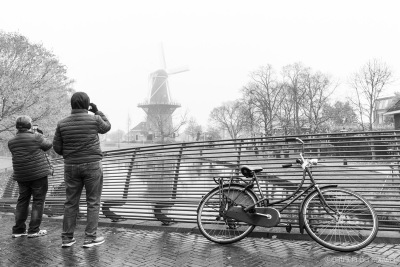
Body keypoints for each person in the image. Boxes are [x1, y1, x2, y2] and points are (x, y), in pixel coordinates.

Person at [53, 92, 111, 248]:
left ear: (71, 105)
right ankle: (90, 237)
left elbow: (57, 148)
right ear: (88, 105)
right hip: (92, 165)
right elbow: (107, 127)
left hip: (71, 166)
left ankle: (67, 238)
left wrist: (71, 153)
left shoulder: (62, 123)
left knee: (71, 202)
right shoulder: (95, 119)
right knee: (93, 202)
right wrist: (97, 111)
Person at [8, 116, 52, 238]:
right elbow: (48, 145)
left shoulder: (11, 142)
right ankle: (33, 230)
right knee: (38, 201)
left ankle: (18, 230)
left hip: (21, 175)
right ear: (29, 126)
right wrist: (39, 134)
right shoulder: (36, 137)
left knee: (22, 201)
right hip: (38, 175)